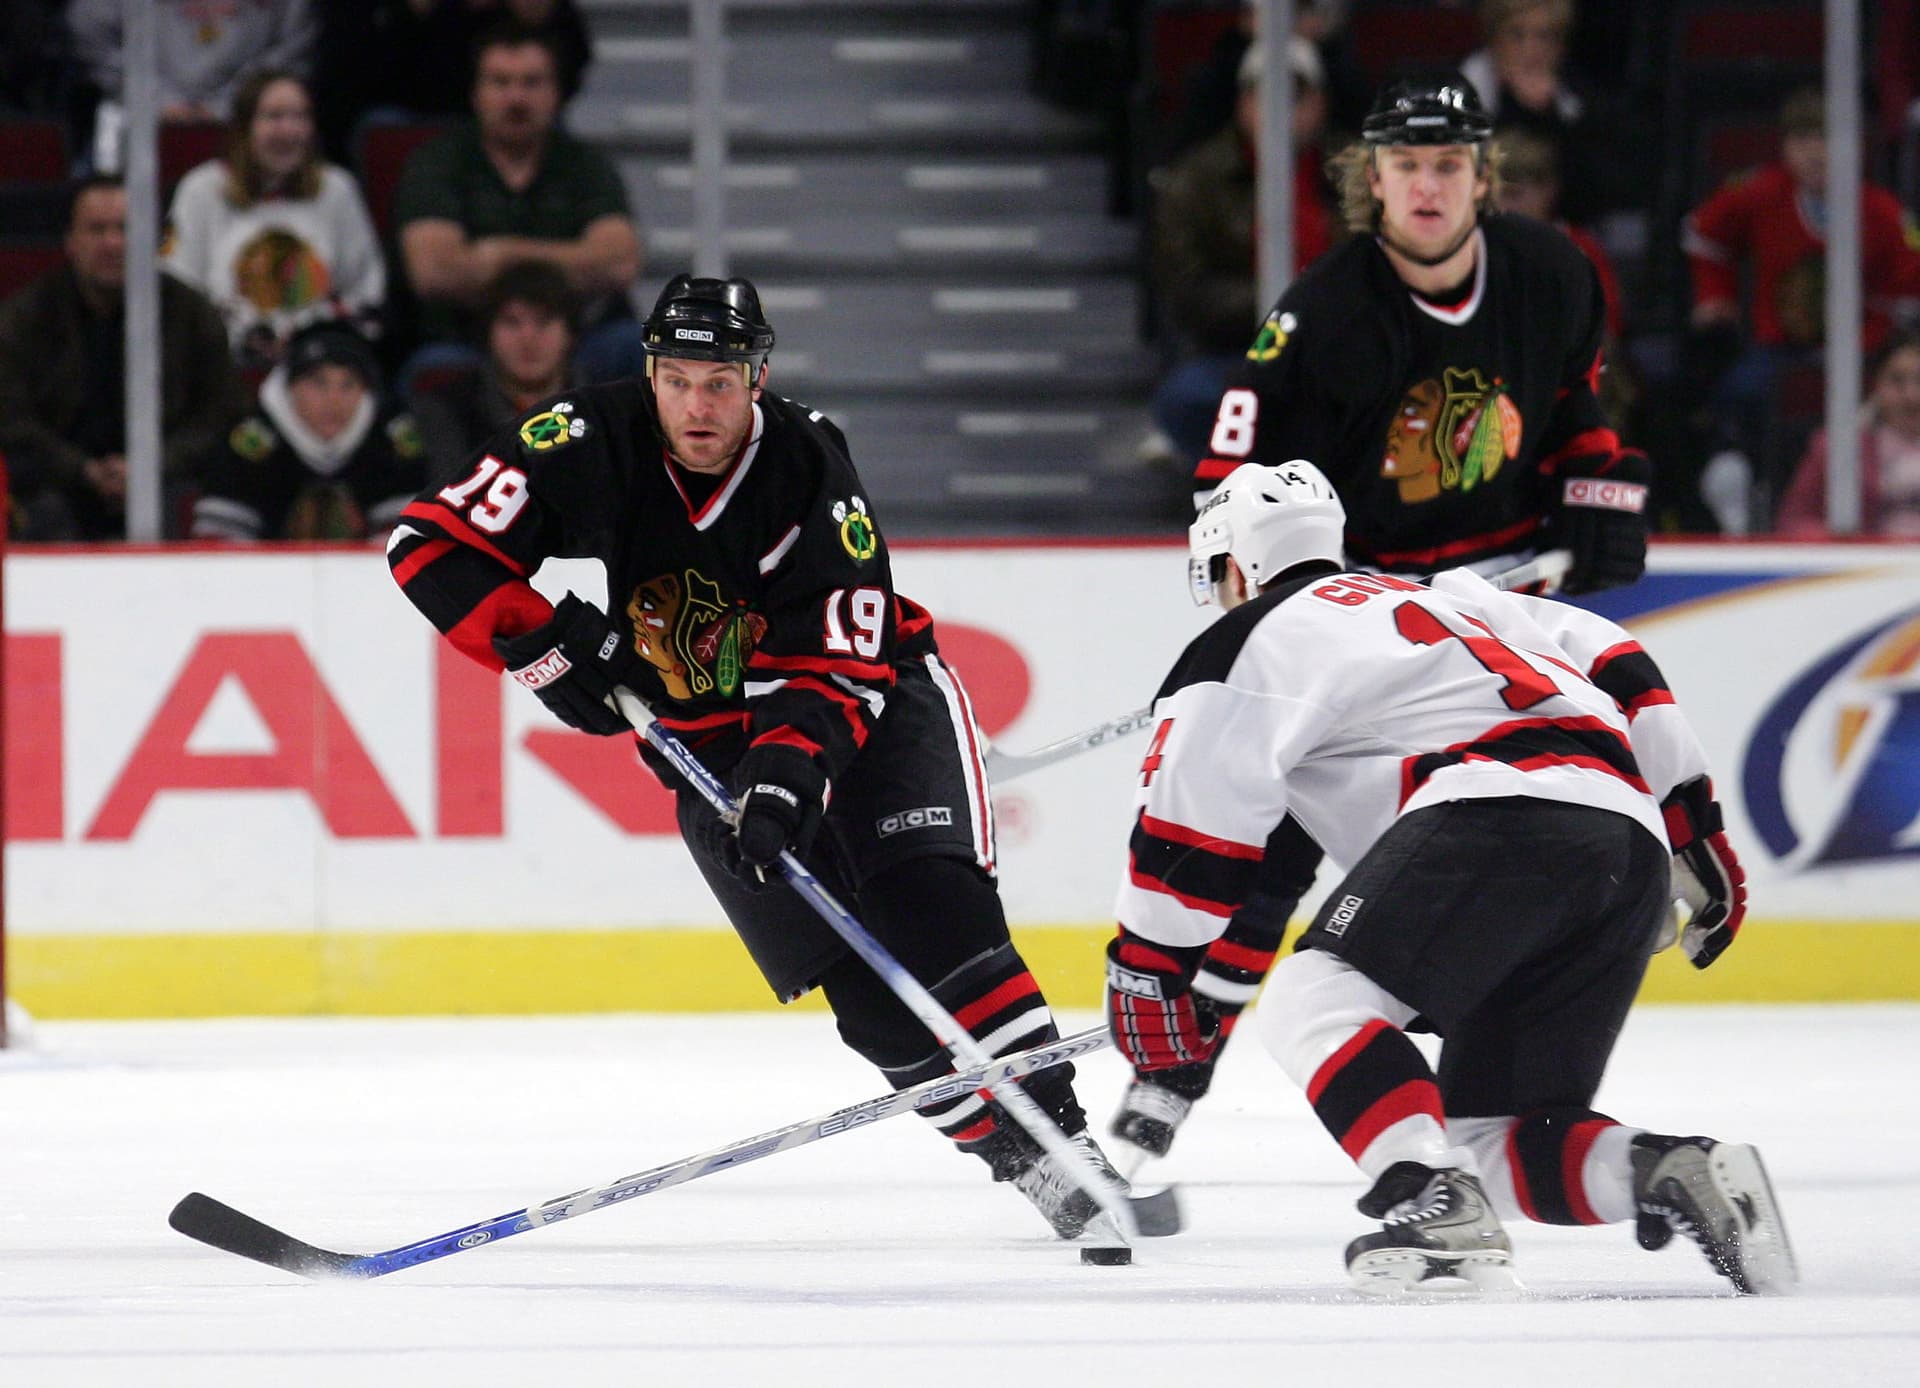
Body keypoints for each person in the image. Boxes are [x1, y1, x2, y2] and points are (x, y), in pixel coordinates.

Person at [386, 273, 1131, 1244]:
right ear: (649, 373)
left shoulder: (806, 464)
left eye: (723, 382)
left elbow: (838, 655)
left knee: (934, 915)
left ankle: (1067, 1139)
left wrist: (784, 772)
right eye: (681, 380)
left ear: (758, 377)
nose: (701, 406)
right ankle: (1018, 1157)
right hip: (704, 748)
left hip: (873, 705)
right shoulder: (583, 439)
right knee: (873, 1008)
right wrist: (544, 646)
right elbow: (430, 543)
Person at [1120, 75, 1654, 1170]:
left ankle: (1452, 1098)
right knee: (1263, 849)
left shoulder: (1554, 275)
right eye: (1406, 165)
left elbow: (1579, 423)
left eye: (1449, 163)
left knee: (1464, 844)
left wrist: (1604, 499)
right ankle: (1169, 1077)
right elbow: (1232, 469)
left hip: (1485, 620)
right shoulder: (1321, 312)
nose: (1427, 184)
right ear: (1372, 179)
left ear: (1481, 176)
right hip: (1360, 620)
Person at [1106, 458, 1794, 1297]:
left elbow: (1189, 837)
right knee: (1488, 1134)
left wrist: (1148, 968)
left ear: (1236, 564)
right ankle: (1677, 1170)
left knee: (1312, 997)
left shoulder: (1247, 637)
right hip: (1628, 843)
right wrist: (1694, 829)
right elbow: (1621, 661)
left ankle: (1433, 1205)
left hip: (1496, 817)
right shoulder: (1459, 597)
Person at [1683, 88, 1920, 527]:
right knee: (1738, 392)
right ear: (1785, 147)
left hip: (1863, 353)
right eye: (1804, 140)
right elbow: (1702, 234)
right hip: (1780, 346)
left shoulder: (1880, 209)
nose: (1816, 152)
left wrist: (1884, 320)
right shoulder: (1759, 193)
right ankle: (1736, 471)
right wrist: (1715, 293)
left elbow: (1908, 284)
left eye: (1828, 139)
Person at [391, 21, 642, 386]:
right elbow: (432, 271)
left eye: (531, 83)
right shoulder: (436, 162)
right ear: (475, 93)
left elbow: (619, 263)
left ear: (556, 93)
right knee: (434, 366)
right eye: (501, 82)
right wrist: (570, 260)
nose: (516, 99)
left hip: (578, 339)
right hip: (467, 340)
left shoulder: (586, 164)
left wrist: (499, 254)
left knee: (634, 347)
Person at [0, 176, 246, 541]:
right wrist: (81, 470)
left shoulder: (192, 314)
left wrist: (153, 466)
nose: (113, 243)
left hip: (170, 481)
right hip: (55, 486)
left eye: (125, 228)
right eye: (97, 230)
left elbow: (221, 411)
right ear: (70, 240)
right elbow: (10, 416)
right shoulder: (26, 315)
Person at [1147, 36, 1336, 471]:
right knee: (1189, 398)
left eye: (1294, 96)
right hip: (1239, 352)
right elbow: (1189, 294)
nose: (1278, 110)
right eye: (1263, 93)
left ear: (1319, 104)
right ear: (1242, 103)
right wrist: (1283, 308)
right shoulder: (1197, 179)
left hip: (1337, 351)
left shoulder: (1361, 173)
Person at [162, 69, 386, 369]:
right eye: (275, 117)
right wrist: (242, 336)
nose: (290, 131)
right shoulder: (201, 190)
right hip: (221, 367)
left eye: (300, 117)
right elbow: (178, 290)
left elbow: (365, 291)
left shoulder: (337, 189)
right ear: (243, 127)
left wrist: (314, 337)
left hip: (319, 367)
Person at [192, 322, 423, 541]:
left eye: (348, 384)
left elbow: (410, 541)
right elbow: (218, 542)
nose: (334, 401)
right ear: (289, 387)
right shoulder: (252, 442)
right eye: (319, 383)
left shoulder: (389, 437)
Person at [67, 0, 317, 167]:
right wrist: (157, 99)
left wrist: (230, 104)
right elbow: (90, 34)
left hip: (249, 120)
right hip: (136, 118)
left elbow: (292, 47)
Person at [412, 259, 581, 487]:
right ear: (488, 333)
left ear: (570, 334)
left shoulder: (605, 407)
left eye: (543, 322)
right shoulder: (449, 409)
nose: (528, 339)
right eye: (512, 323)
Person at [1775, 331, 1920, 537]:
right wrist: (1843, 546)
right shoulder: (1838, 445)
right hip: (1871, 565)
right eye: (1897, 381)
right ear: (1876, 385)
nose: (1912, 395)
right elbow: (1794, 522)